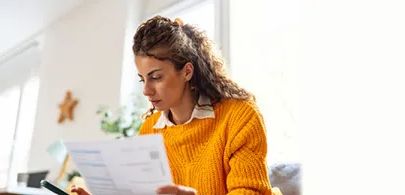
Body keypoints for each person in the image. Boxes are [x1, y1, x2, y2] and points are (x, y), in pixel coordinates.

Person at [71, 16, 272, 195]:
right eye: (142, 80)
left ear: (187, 72)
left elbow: (250, 191)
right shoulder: (150, 129)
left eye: (156, 77)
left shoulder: (240, 116)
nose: (146, 91)